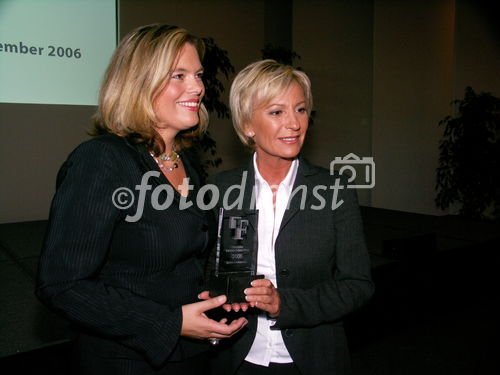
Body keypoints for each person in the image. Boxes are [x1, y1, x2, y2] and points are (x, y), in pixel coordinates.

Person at [35, 24, 247, 375]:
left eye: (197, 75)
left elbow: (186, 261)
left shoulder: (185, 163)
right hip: (124, 361)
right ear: (139, 82)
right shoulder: (102, 160)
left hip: (191, 356)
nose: (197, 87)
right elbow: (61, 285)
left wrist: (223, 294)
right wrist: (170, 322)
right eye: (178, 75)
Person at [205, 60, 374, 375]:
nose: (295, 124)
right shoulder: (220, 189)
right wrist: (212, 294)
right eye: (276, 112)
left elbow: (357, 284)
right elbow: (208, 271)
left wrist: (285, 304)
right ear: (247, 125)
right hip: (237, 358)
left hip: (311, 360)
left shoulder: (334, 190)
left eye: (300, 109)